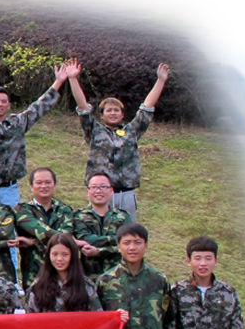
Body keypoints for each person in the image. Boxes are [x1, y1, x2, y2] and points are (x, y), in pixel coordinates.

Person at [0, 58, 78, 207]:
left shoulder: (18, 124)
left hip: (9, 189)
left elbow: (40, 106)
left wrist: (59, 81)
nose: (0, 104)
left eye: (4, 101)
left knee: (12, 221)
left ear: (9, 105)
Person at [68, 63, 169, 221]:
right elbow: (83, 107)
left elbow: (147, 108)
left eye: (117, 110)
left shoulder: (132, 131)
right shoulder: (94, 131)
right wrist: (73, 78)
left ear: (122, 114)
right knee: (99, 230)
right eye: (109, 110)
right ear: (102, 115)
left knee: (127, 232)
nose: (113, 113)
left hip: (126, 193)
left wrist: (161, 80)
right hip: (101, 193)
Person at [12, 167, 78, 287]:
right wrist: (70, 241)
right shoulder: (22, 210)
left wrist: (33, 242)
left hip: (63, 275)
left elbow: (65, 238)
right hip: (34, 276)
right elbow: (44, 233)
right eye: (39, 182)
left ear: (54, 185)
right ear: (31, 186)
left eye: (48, 182)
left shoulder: (65, 210)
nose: (44, 186)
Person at [74, 173, 133, 277]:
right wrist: (116, 239)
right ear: (88, 191)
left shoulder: (123, 216)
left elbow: (128, 244)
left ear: (111, 191)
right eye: (94, 187)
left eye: (103, 187)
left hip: (118, 278)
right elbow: (84, 239)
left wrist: (99, 251)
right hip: (88, 277)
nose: (98, 191)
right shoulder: (78, 216)